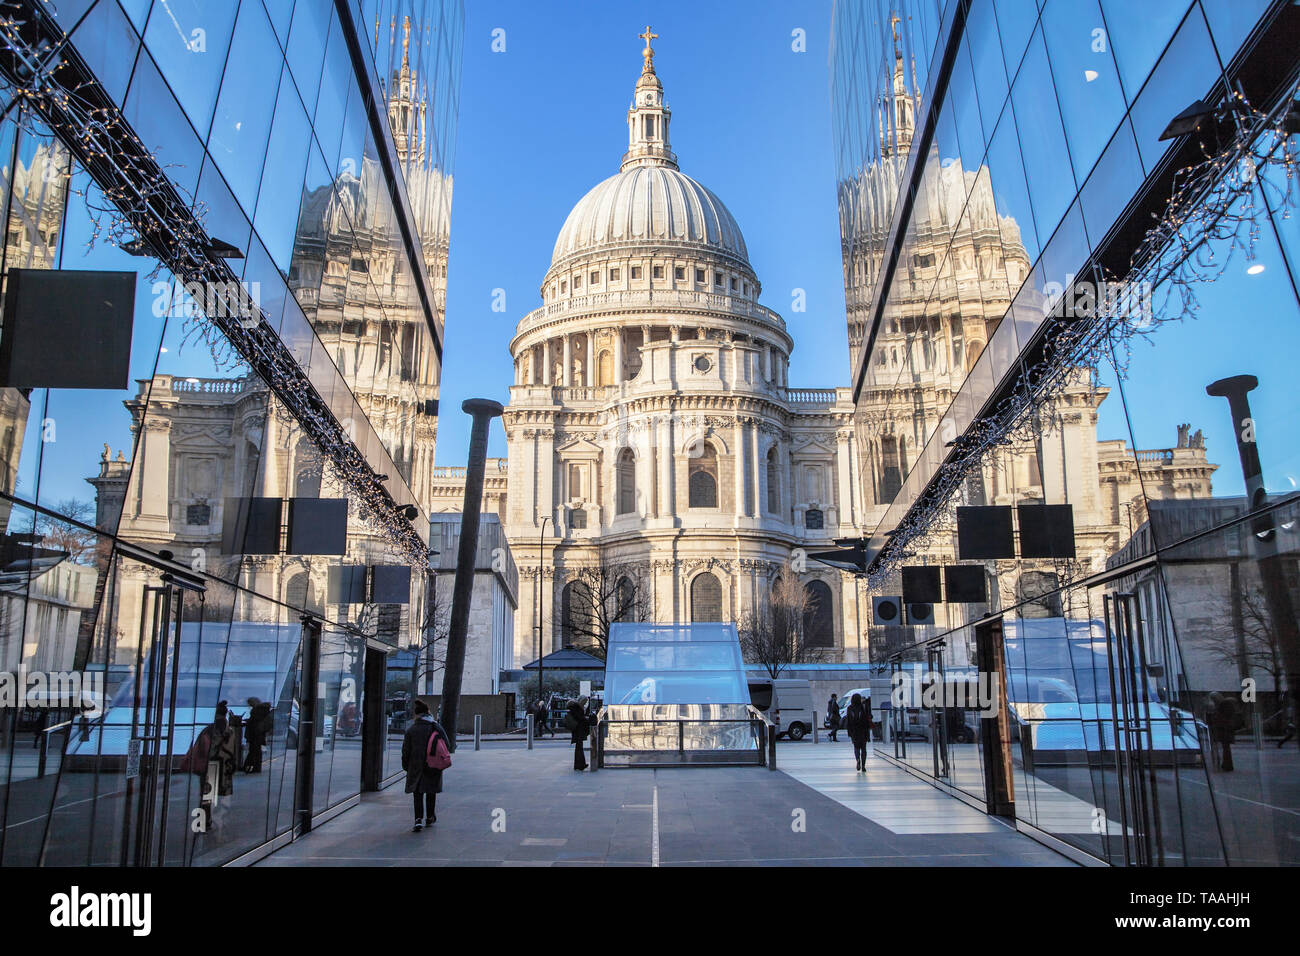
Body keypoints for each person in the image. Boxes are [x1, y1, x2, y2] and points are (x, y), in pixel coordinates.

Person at [401, 699, 448, 831]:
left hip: (415, 765)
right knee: (431, 791)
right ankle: (430, 816)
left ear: (417, 714)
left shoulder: (411, 730)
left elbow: (405, 750)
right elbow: (446, 744)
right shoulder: (435, 727)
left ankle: (418, 819)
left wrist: (406, 765)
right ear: (428, 712)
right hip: (433, 764)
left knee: (417, 793)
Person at [243, 697, 272, 773]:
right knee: (256, 751)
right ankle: (254, 767)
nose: (249, 705)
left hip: (255, 734)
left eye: (250, 703)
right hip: (259, 734)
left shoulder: (256, 710)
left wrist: (249, 721)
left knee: (254, 751)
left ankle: (250, 767)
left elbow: (254, 722)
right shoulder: (263, 710)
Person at [843, 693, 871, 771]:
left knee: (856, 747)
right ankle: (863, 766)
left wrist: (849, 732)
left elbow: (848, 721)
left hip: (854, 731)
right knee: (864, 748)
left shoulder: (849, 708)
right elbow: (867, 719)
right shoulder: (863, 707)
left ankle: (858, 759)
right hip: (863, 730)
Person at [568, 696, 592, 771]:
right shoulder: (577, 707)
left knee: (579, 747)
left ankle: (579, 764)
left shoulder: (575, 707)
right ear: (582, 701)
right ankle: (580, 765)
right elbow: (580, 718)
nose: (585, 703)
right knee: (579, 747)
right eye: (585, 701)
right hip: (578, 729)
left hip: (577, 729)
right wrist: (587, 720)